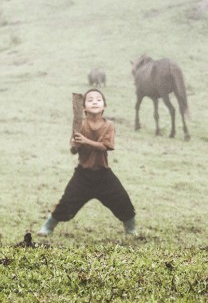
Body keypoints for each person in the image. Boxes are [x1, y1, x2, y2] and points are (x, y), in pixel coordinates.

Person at [38, 89, 138, 237]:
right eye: (90, 100)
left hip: (104, 175)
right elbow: (73, 151)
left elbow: (106, 146)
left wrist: (85, 141)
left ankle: (131, 228)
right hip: (83, 175)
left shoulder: (108, 125)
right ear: (83, 107)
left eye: (99, 99)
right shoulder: (79, 125)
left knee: (122, 200)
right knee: (66, 202)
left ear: (105, 106)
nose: (95, 102)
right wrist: (75, 145)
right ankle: (49, 226)